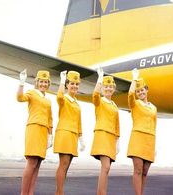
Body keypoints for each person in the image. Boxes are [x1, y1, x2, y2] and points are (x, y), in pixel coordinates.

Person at [17, 69, 53, 195]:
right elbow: (20, 98)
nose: (43, 84)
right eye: (41, 82)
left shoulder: (48, 100)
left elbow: (50, 118)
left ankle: (30, 193)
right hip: (34, 129)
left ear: (48, 84)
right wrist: (22, 82)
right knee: (31, 162)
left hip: (44, 132)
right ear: (37, 82)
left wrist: (50, 135)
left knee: (37, 164)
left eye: (45, 82)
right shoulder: (32, 93)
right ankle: (23, 193)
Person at [54, 70, 85, 195]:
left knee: (66, 166)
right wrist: (61, 81)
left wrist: (81, 138)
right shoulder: (64, 99)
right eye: (72, 83)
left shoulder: (76, 103)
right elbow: (59, 96)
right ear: (67, 85)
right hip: (64, 134)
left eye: (77, 84)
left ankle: (59, 192)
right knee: (64, 164)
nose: (75, 86)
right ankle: (60, 192)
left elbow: (78, 122)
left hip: (73, 136)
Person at [127, 68, 157, 195]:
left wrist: (154, 147)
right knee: (138, 170)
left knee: (145, 172)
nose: (140, 93)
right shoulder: (135, 104)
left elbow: (154, 125)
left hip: (149, 141)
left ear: (147, 89)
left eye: (142, 90)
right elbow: (130, 95)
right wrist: (134, 79)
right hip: (138, 139)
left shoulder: (153, 108)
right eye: (138, 91)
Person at [90, 67, 120, 195]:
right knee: (106, 167)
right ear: (103, 88)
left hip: (111, 138)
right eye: (106, 87)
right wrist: (99, 79)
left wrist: (117, 141)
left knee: (107, 169)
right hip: (102, 135)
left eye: (110, 87)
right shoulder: (100, 101)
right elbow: (95, 95)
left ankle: (102, 192)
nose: (108, 89)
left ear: (113, 89)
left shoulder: (114, 105)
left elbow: (117, 125)